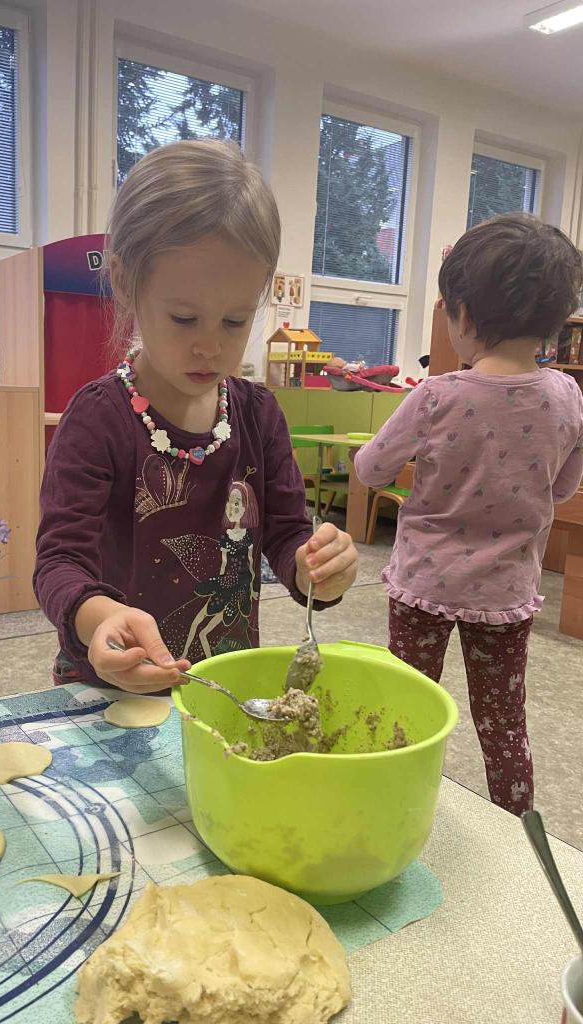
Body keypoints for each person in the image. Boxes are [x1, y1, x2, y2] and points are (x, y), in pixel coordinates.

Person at [35, 140, 358, 694]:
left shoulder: (258, 415)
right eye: (184, 318)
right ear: (125, 283)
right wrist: (100, 619)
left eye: (234, 321)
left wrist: (319, 570)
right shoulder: (98, 419)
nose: (210, 346)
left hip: (222, 685)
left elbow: (287, 537)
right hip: (112, 684)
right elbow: (59, 563)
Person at [354, 213, 583, 815]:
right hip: (507, 592)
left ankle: (389, 811)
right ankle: (517, 829)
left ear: (464, 316)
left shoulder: (437, 395)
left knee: (406, 703)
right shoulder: (567, 396)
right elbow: (562, 487)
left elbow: (371, 470)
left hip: (424, 585)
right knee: (504, 722)